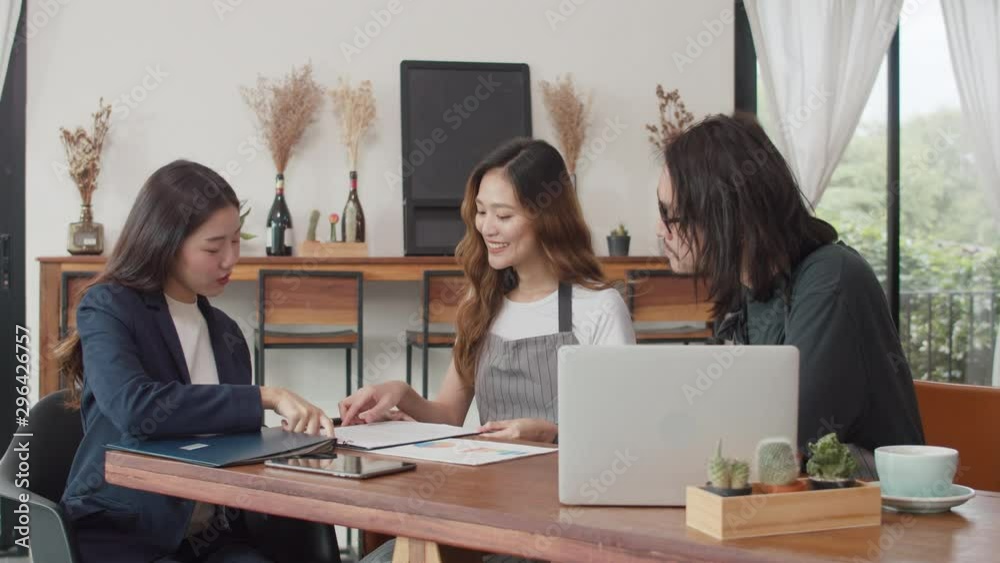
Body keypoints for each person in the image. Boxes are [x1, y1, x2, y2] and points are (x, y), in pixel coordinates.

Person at [56, 160, 338, 563]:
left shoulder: (226, 334)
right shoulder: (108, 308)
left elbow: (232, 444)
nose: (230, 259)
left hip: (209, 539)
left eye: (235, 241)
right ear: (166, 243)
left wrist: (297, 446)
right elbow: (136, 408)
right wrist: (267, 396)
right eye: (213, 247)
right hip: (125, 536)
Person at [655, 113, 924, 476]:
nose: (660, 230)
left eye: (669, 214)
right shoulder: (746, 293)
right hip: (795, 494)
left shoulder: (830, 281)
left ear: (727, 214)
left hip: (872, 500)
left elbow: (787, 437)